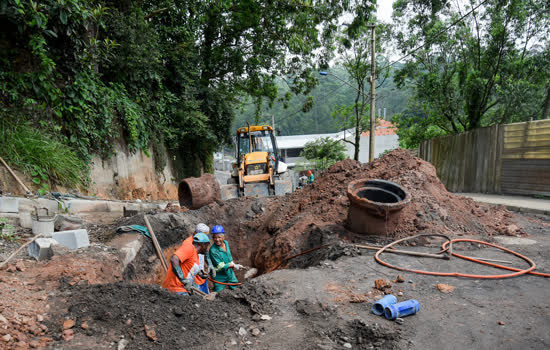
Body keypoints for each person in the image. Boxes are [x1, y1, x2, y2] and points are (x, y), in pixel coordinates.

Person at [209, 225, 243, 292]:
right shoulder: (213, 250)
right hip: (219, 276)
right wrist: (233, 265)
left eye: (219, 237)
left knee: (237, 290)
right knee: (218, 294)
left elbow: (229, 255)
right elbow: (220, 266)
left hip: (229, 272)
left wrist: (232, 262)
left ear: (224, 237)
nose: (217, 239)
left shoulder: (226, 243)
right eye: (215, 238)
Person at [194, 223, 213, 294]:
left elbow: (205, 252)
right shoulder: (192, 246)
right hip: (194, 278)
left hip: (201, 275)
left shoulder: (202, 244)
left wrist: (210, 264)